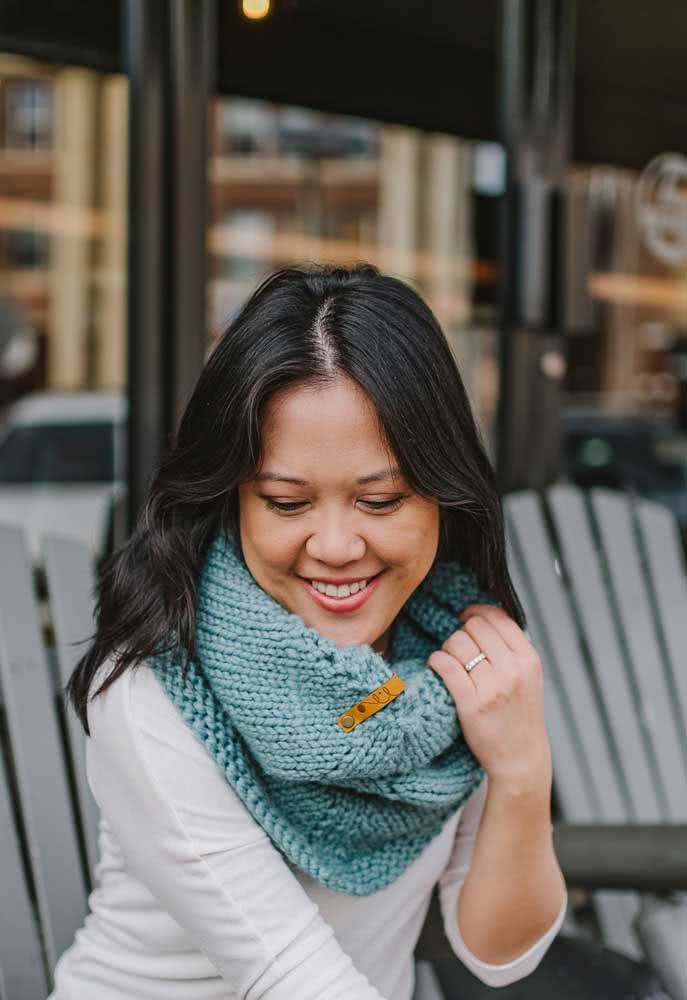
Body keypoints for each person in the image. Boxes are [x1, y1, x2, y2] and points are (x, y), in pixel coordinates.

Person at [50, 263, 568, 1000]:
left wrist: (521, 771)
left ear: (443, 494)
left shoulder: (444, 673)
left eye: (381, 500)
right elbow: (287, 975)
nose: (333, 546)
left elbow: (496, 955)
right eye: (287, 503)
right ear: (232, 498)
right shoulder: (155, 683)